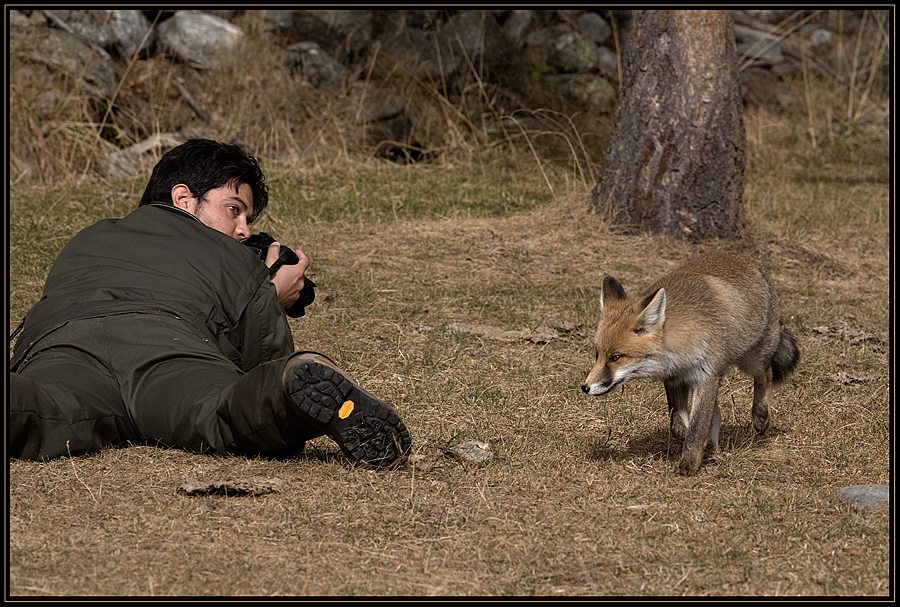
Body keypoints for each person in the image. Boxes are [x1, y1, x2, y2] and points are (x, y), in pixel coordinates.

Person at [9, 138, 411, 468]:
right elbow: (260, 359)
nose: (242, 230)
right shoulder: (229, 255)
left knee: (39, 410)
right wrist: (270, 295)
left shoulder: (89, 236)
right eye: (234, 210)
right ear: (184, 198)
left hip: (63, 344)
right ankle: (296, 385)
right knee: (221, 413)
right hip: (169, 348)